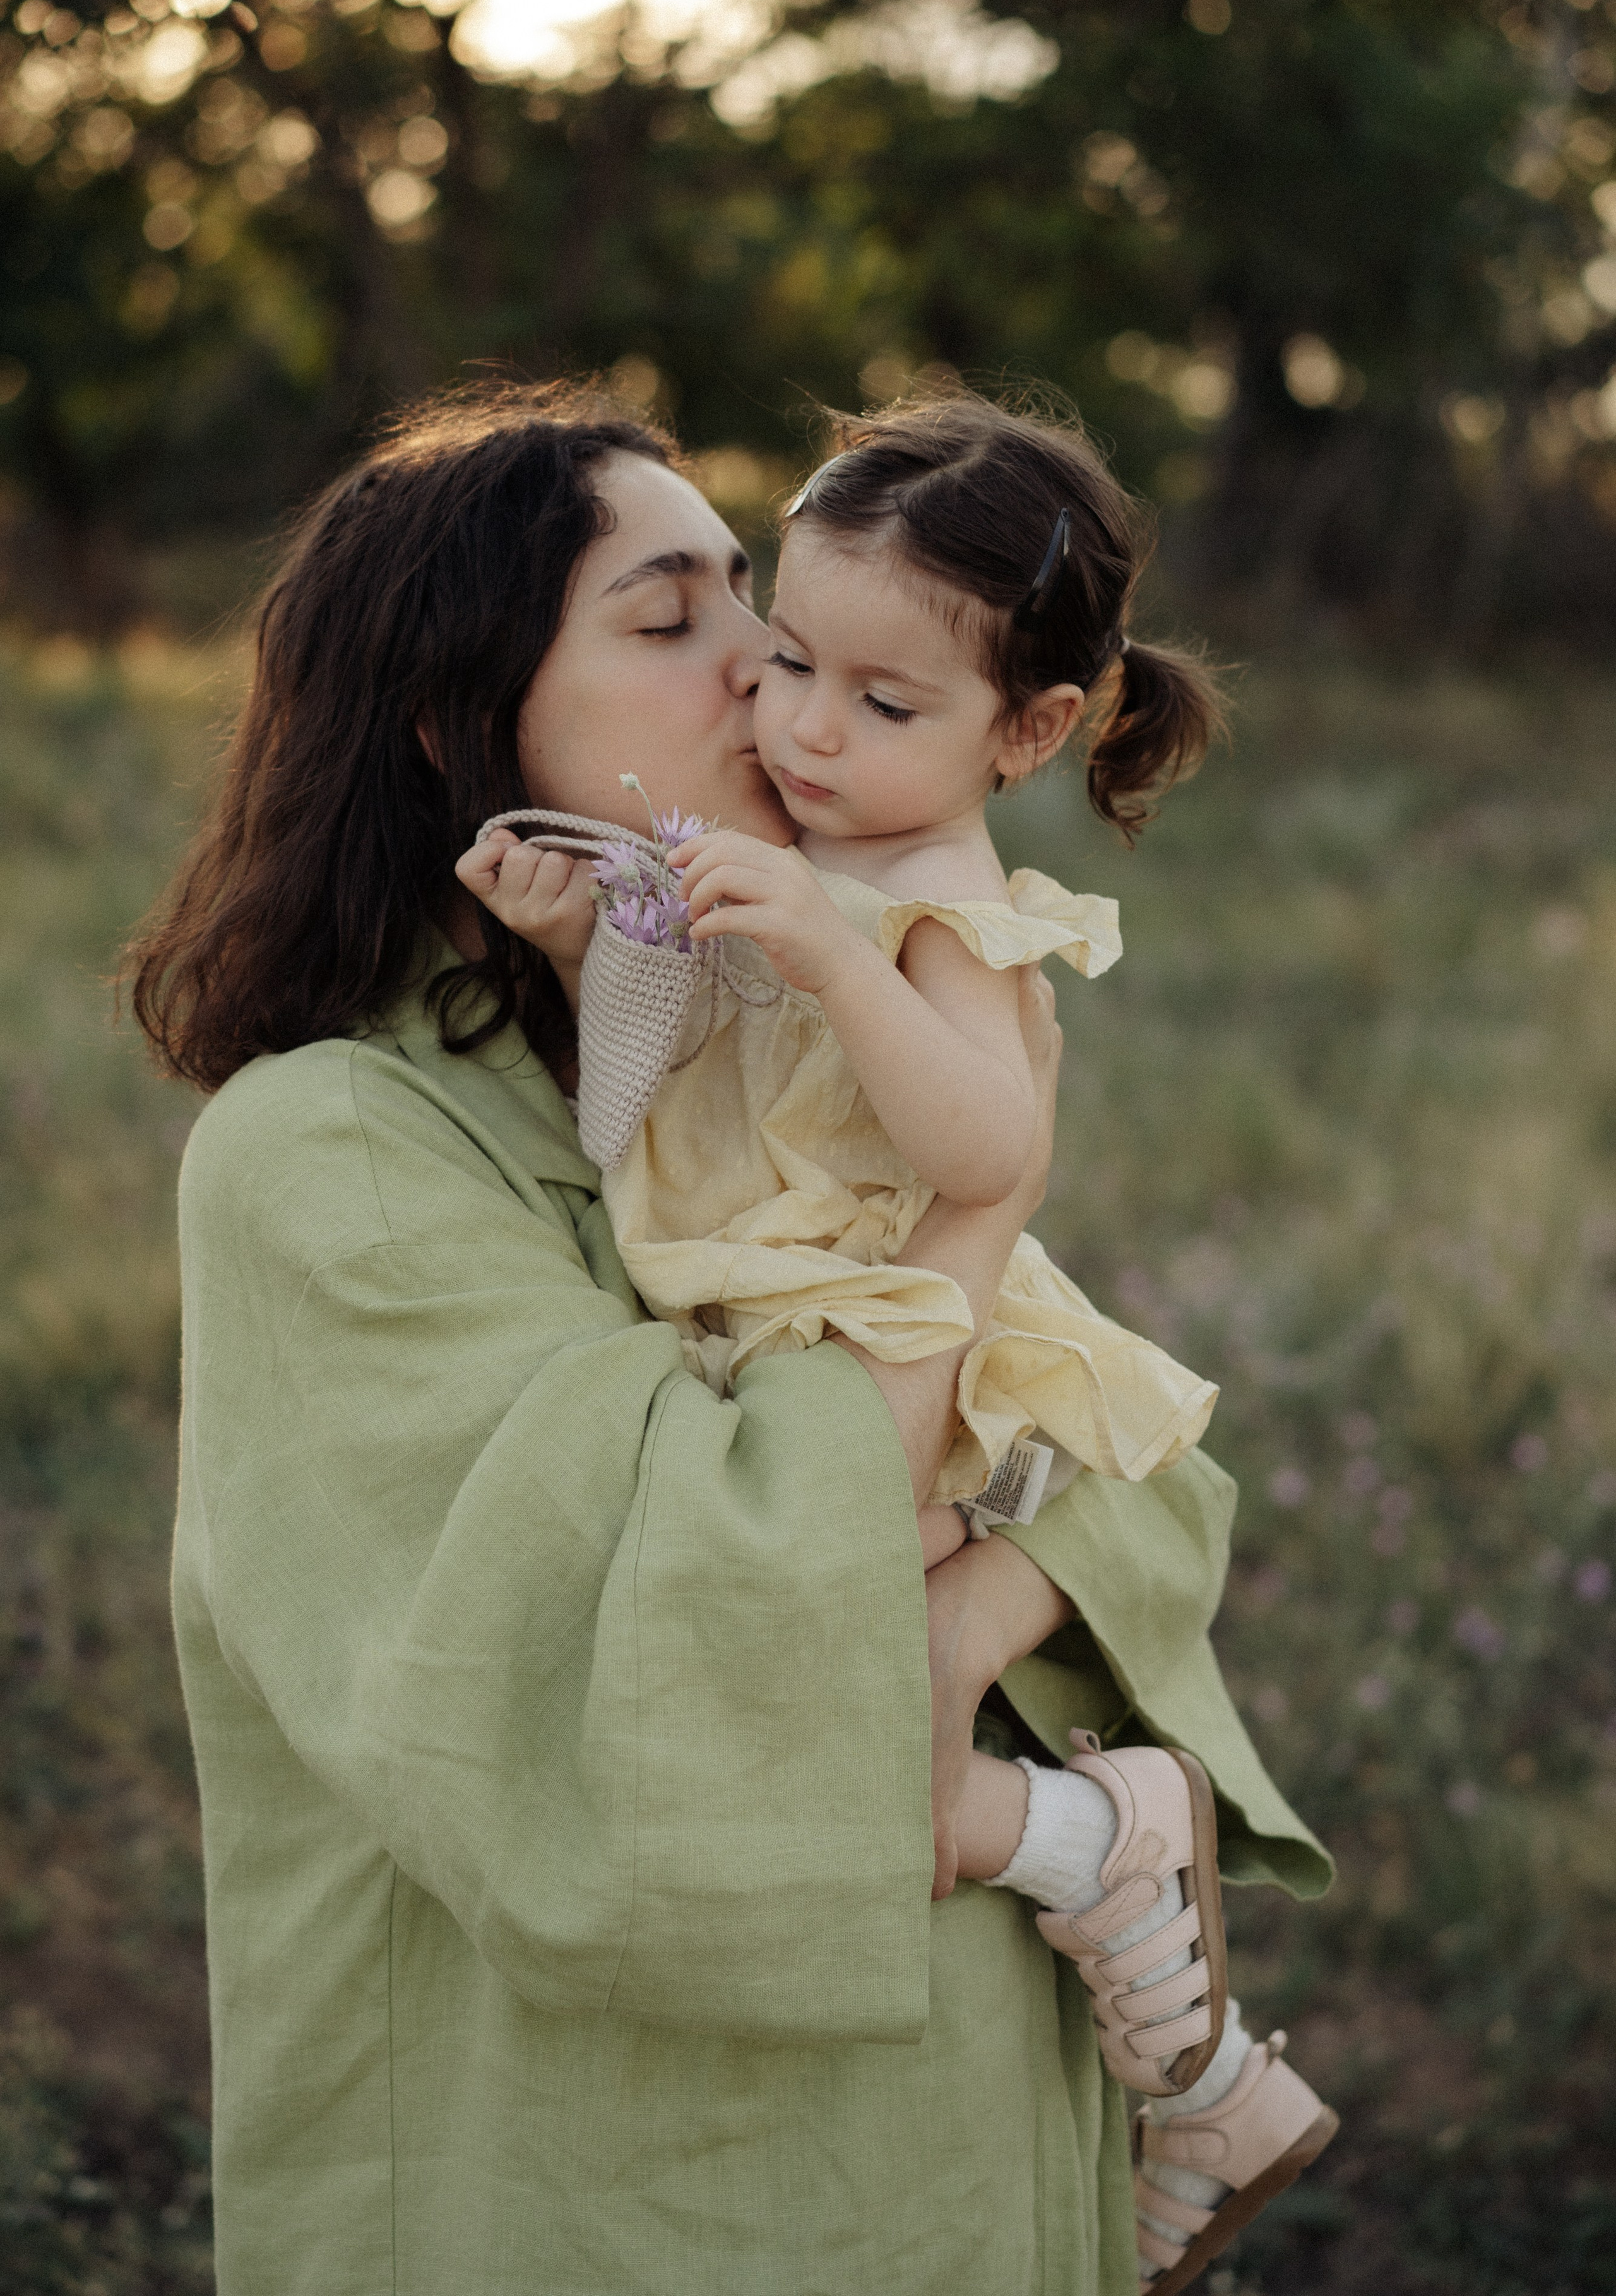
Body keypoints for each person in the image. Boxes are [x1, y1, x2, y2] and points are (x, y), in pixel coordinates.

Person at [129, 379, 1329, 2296]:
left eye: (755, 610)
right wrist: (985, 1220)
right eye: (675, 621)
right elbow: (732, 1587)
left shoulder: (770, 1065)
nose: (777, 676)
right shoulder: (334, 1151)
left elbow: (1151, 1482)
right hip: (620, 2188)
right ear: (461, 720)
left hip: (946, 2126)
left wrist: (965, 1607)